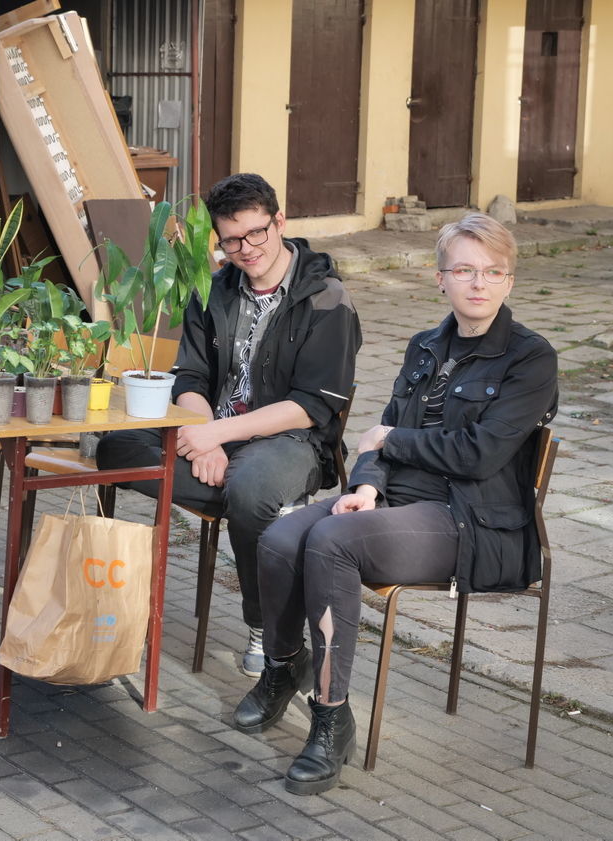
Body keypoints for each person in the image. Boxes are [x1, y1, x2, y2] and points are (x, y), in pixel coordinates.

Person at [232, 213, 558, 796]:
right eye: (464, 270)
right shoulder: (425, 346)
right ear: (440, 278)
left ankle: (331, 717)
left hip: (471, 522)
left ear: (509, 280)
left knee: (331, 542)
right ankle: (283, 668)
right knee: (279, 539)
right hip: (399, 502)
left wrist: (393, 442)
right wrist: (366, 487)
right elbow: (378, 436)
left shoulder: (530, 358)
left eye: (493, 272)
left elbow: (478, 453)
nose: (478, 283)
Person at [96, 173, 362, 676]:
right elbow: (190, 376)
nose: (246, 249)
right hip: (212, 432)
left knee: (252, 487)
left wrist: (214, 436)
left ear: (279, 221)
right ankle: (267, 514)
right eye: (231, 240)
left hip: (291, 440)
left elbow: (311, 406)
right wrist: (205, 443)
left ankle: (269, 627)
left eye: (256, 233)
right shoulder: (214, 290)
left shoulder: (327, 298)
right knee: (116, 449)